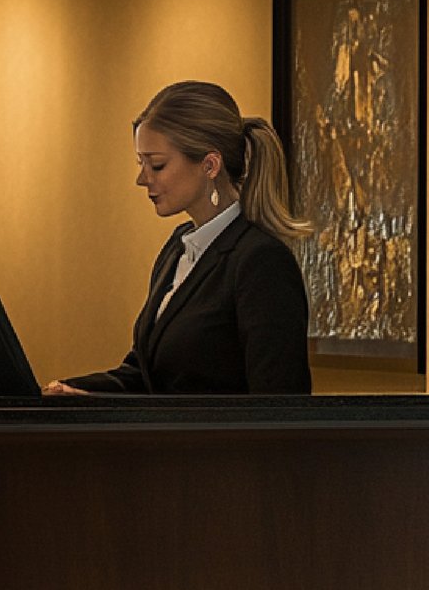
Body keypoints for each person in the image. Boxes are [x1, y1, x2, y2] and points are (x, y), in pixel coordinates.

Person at [45, 81, 312, 396]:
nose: (142, 179)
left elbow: (279, 404)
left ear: (209, 165)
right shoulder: (178, 247)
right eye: (141, 164)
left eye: (156, 164)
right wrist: (72, 391)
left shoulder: (261, 261)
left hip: (218, 447)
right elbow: (144, 376)